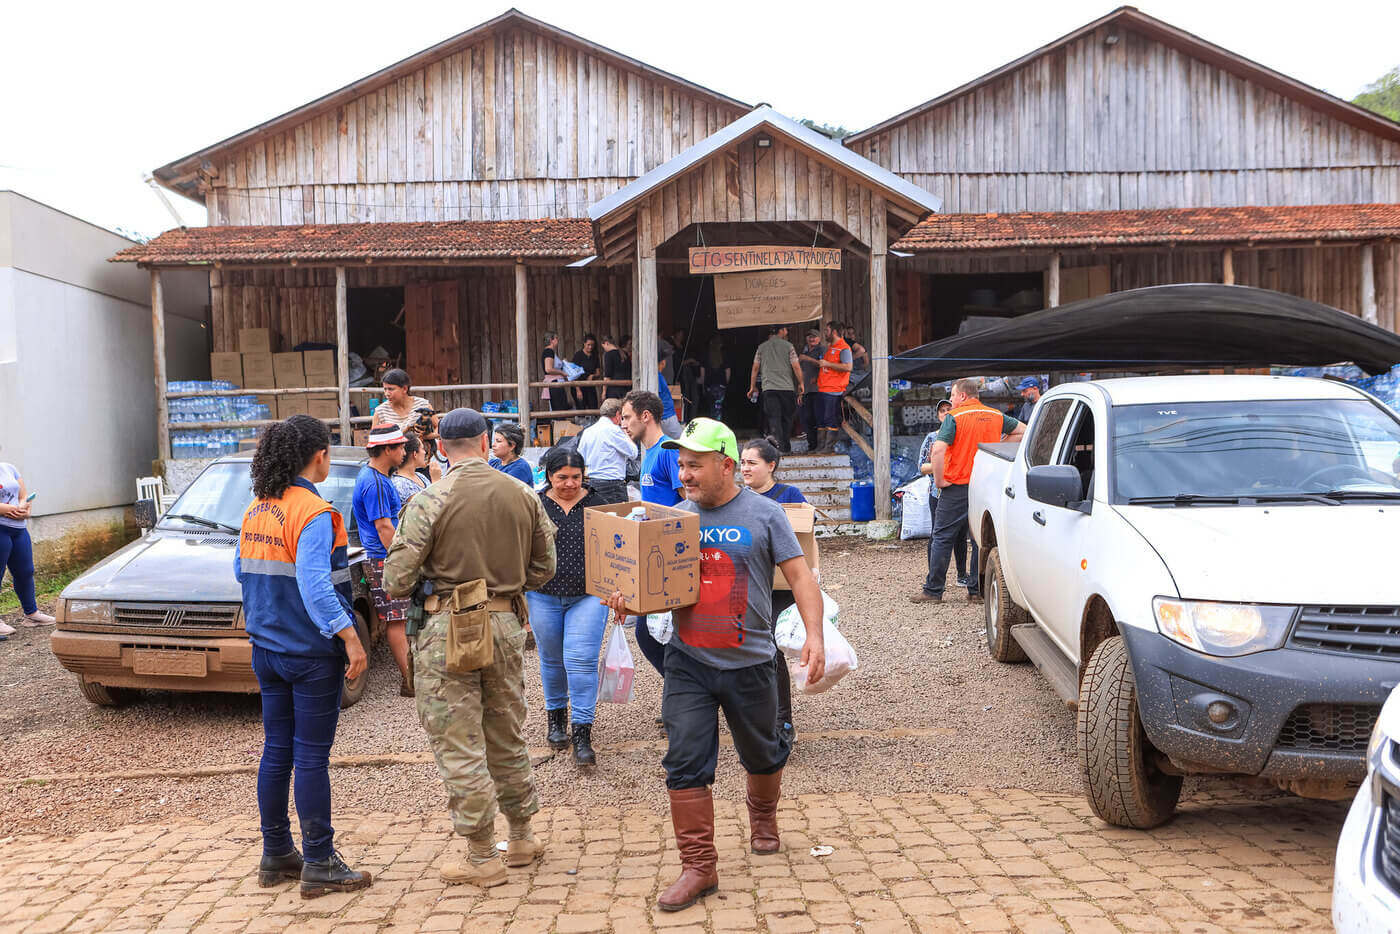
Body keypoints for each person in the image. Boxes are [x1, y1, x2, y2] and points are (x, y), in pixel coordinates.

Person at [603, 418, 825, 912]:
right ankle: (699, 866)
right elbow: (654, 594)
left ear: (726, 465)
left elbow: (801, 578)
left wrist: (814, 635)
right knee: (684, 760)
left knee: (764, 753)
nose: (685, 474)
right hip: (689, 663)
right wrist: (626, 602)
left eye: (695, 465)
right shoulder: (671, 519)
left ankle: (763, 818)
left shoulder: (765, 514)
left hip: (751, 662)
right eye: (681, 465)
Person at [383, 408, 556, 886]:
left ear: (441, 447)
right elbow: (545, 568)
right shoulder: (523, 493)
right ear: (485, 443)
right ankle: (521, 836)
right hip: (504, 621)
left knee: (459, 741)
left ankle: (482, 856)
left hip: (447, 625)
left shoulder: (430, 499)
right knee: (506, 730)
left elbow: (396, 580)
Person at [235, 415, 372, 898]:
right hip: (310, 652)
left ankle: (276, 853)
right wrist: (351, 639)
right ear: (319, 456)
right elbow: (316, 587)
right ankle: (319, 861)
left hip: (266, 650)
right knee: (311, 757)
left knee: (277, 749)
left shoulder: (257, 507)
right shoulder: (314, 513)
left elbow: (241, 571)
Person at [527, 447, 609, 768]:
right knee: (551, 659)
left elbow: (619, 547)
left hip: (588, 595)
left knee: (581, 659)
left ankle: (582, 733)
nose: (570, 484)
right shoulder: (534, 504)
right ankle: (555, 719)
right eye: (562, 477)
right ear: (549, 475)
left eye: (576, 477)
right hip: (542, 594)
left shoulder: (598, 504)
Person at [912, 379, 1026, 604]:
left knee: (942, 537)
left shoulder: (955, 417)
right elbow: (1023, 431)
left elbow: (938, 450)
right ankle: (976, 591)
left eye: (953, 396)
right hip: (985, 486)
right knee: (979, 540)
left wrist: (940, 480)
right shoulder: (995, 415)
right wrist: (1000, 444)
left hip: (957, 486)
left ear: (963, 396)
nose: (951, 401)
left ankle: (933, 590)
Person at [739, 437, 806, 740]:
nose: (745, 468)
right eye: (742, 462)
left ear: (771, 465)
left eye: (752, 462)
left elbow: (805, 532)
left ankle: (783, 721)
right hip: (747, 584)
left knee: (771, 647)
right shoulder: (738, 498)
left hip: (780, 588)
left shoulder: (789, 495)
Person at [621, 390, 682, 674]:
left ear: (645, 416)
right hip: (651, 551)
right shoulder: (648, 453)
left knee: (651, 633)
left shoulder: (669, 450)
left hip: (672, 553)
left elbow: (687, 499)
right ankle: (681, 692)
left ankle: (684, 692)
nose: (623, 423)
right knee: (650, 633)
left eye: (627, 417)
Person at [352, 424, 413, 696]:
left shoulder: (375, 476)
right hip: (383, 558)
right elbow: (384, 528)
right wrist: (404, 558)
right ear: (387, 449)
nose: (404, 451)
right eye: (400, 447)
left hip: (382, 557)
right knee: (397, 620)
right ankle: (409, 680)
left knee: (398, 618)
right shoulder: (375, 482)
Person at [0, 463, 52, 631]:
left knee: (25, 571)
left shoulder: (9, 468)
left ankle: (32, 614)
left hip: (18, 529)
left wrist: (25, 508)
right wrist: (9, 508)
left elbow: (23, 496)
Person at [918, 423, 970, 587]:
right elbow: (921, 466)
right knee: (937, 535)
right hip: (938, 492)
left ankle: (961, 574)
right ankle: (934, 575)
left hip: (958, 490)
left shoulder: (961, 436)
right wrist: (940, 466)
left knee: (961, 534)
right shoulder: (932, 438)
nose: (945, 413)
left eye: (948, 410)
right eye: (942, 410)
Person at [748, 325, 804, 454]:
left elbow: (755, 368)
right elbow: (796, 366)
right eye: (786, 329)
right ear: (781, 331)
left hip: (769, 388)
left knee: (774, 418)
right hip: (787, 388)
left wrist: (752, 386)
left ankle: (780, 447)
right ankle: (785, 446)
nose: (787, 331)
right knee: (787, 418)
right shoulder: (788, 346)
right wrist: (801, 383)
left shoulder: (761, 348)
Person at [577, 398, 634, 504]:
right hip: (613, 485)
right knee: (619, 519)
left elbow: (580, 459)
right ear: (617, 414)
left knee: (599, 519)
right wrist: (625, 432)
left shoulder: (588, 432)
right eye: (622, 417)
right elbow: (633, 453)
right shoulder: (615, 430)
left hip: (593, 483)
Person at [814, 320, 853, 452]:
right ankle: (820, 446)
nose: (825, 333)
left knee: (830, 418)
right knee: (821, 418)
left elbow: (848, 367)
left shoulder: (844, 348)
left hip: (834, 390)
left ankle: (828, 447)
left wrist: (827, 364)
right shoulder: (831, 347)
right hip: (823, 388)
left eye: (827, 330)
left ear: (834, 332)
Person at [373, 369, 434, 434]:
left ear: (405, 389)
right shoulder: (380, 412)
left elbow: (438, 429)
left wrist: (426, 437)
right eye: (385, 389)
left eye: (391, 389)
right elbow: (373, 439)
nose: (387, 393)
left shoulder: (423, 405)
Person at [796, 329, 825, 452]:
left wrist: (807, 359)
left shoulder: (822, 350)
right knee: (807, 419)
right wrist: (800, 391)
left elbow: (823, 365)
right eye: (809, 337)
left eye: (814, 337)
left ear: (819, 339)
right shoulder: (805, 351)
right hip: (806, 390)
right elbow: (801, 372)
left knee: (818, 418)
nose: (812, 339)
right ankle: (811, 445)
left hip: (818, 390)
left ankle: (821, 445)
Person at [541, 331, 572, 413]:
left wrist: (563, 363)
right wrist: (562, 373)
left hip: (557, 383)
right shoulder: (549, 351)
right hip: (554, 383)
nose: (557, 340)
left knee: (560, 408)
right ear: (551, 340)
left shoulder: (551, 352)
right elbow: (548, 369)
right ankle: (558, 425)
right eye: (556, 338)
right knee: (558, 410)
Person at [392, 434, 429, 503]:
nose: (425, 452)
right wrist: (436, 480)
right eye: (422, 449)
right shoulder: (399, 483)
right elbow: (427, 506)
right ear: (415, 454)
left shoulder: (420, 476)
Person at [702, 335, 729, 422]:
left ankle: (712, 424)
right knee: (718, 408)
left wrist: (703, 385)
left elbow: (702, 373)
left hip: (709, 385)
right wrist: (726, 384)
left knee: (711, 408)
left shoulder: (706, 356)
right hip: (721, 386)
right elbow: (728, 373)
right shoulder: (724, 356)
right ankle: (718, 425)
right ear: (720, 345)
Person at [656, 350, 683, 439]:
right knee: (681, 442)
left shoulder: (658, 376)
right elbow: (656, 396)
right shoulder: (657, 377)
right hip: (666, 417)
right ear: (662, 362)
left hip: (666, 416)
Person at [572, 333, 602, 411]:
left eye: (592, 345)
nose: (590, 347)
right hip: (578, 386)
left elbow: (598, 373)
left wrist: (593, 376)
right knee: (581, 409)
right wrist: (578, 390)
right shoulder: (578, 355)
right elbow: (574, 374)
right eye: (588, 345)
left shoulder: (595, 356)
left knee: (593, 407)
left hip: (590, 386)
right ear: (584, 343)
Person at [602, 335, 629, 401]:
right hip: (626, 387)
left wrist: (604, 392)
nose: (604, 349)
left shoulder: (608, 354)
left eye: (603, 347)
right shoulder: (624, 353)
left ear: (606, 343)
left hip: (614, 389)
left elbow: (607, 375)